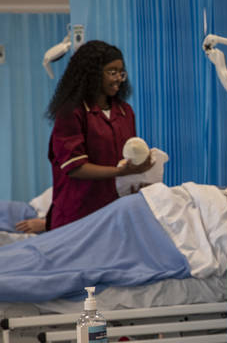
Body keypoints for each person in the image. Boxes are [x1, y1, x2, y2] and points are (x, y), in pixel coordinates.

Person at [46, 40, 153, 230]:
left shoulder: (124, 111)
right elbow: (75, 168)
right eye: (112, 72)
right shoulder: (72, 112)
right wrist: (122, 172)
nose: (119, 78)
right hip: (78, 215)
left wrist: (137, 178)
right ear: (92, 74)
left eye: (121, 72)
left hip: (115, 213)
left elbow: (127, 159)